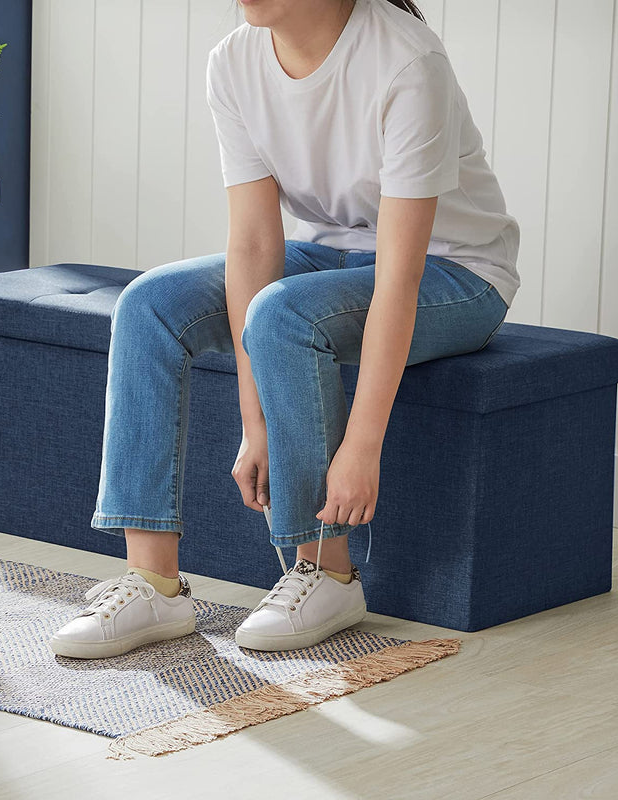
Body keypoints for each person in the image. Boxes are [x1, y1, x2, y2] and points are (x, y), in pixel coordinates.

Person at [49, 0, 520, 659]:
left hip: (456, 272)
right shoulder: (234, 61)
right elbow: (252, 246)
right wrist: (256, 424)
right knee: (149, 304)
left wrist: (362, 446)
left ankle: (324, 570)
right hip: (332, 255)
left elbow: (399, 279)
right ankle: (153, 580)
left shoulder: (407, 60)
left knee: (284, 313)